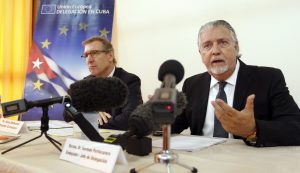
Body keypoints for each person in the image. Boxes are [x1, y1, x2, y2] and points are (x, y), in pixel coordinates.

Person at [171, 20, 300, 147]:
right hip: (203, 162)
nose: (215, 51)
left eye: (223, 43)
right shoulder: (192, 84)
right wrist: (156, 115)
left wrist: (253, 129)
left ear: (236, 47)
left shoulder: (269, 78)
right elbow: (173, 125)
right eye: (207, 45)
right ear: (201, 53)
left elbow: (295, 127)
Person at [64, 36, 143, 130]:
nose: (89, 60)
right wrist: (91, 115)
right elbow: (67, 115)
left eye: (94, 53)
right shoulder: (86, 82)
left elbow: (127, 120)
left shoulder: (129, 80)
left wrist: (88, 121)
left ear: (110, 56)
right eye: (86, 55)